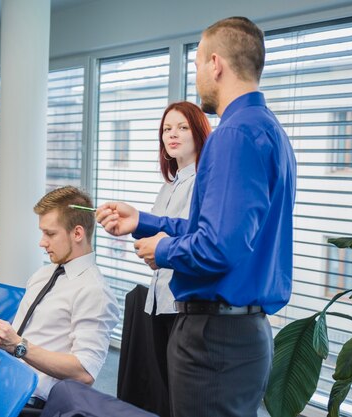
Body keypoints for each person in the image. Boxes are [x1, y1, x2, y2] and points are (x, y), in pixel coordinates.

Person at [97, 16, 296, 417]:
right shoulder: (268, 129)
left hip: (214, 340)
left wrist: (164, 250)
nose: (198, 75)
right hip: (239, 334)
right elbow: (218, 230)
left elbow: (217, 247)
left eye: (198, 64)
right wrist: (145, 221)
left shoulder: (234, 134)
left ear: (216, 64)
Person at [0, 186, 119, 412]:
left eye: (50, 234)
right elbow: (21, 343)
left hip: (30, 403)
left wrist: (18, 345)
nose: (42, 242)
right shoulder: (44, 274)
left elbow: (84, 372)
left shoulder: (94, 292)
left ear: (77, 233)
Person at [140, 101, 210, 416]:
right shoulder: (168, 186)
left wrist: (160, 245)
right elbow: (156, 235)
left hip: (182, 303)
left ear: (198, 132)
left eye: (182, 127)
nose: (173, 135)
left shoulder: (203, 182)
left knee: (182, 395)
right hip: (158, 299)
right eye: (167, 129)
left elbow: (188, 239)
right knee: (163, 389)